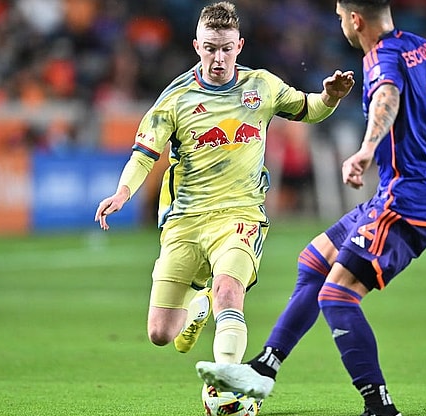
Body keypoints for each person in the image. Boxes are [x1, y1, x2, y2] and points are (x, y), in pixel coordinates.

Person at [196, 0, 426, 416]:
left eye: (342, 15)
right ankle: (264, 369)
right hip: (408, 192)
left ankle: (381, 409)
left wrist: (366, 150)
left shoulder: (380, 59)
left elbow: (387, 97)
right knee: (313, 262)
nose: (340, 22)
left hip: (405, 203)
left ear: (356, 20)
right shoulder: (420, 47)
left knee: (337, 296)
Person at [94, 1, 354, 369]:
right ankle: (198, 308)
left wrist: (330, 97)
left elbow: (309, 109)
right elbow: (144, 155)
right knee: (160, 333)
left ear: (240, 46)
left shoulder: (261, 86)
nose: (219, 59)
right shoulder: (175, 99)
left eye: (226, 49)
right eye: (210, 48)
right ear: (196, 46)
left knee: (229, 290)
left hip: (240, 215)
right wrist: (123, 192)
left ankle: (226, 384)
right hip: (185, 219)